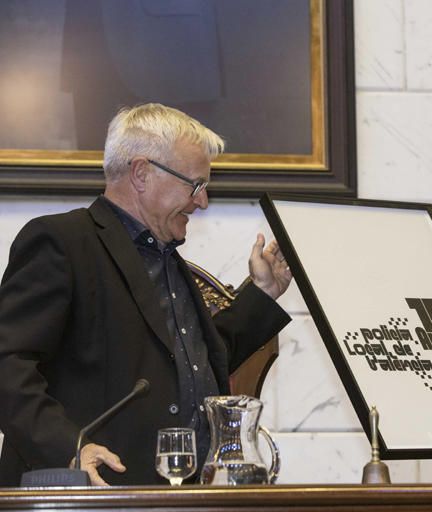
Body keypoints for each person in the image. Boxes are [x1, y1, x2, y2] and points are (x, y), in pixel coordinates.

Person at [0, 103, 293, 486]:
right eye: (196, 185)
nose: (202, 202)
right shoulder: (63, 242)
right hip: (89, 501)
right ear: (141, 173)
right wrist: (68, 447)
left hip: (178, 502)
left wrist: (263, 293)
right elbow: (7, 360)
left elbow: (191, 362)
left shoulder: (169, 261)